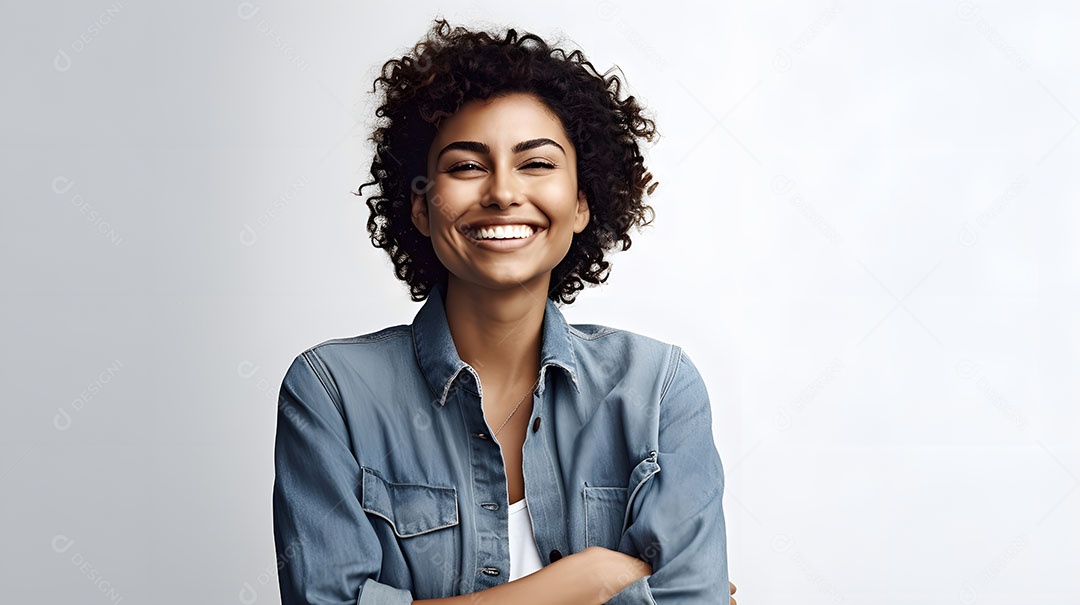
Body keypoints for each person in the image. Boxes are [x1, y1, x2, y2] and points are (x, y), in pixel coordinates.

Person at [272, 18, 734, 604]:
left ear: (583, 203)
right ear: (420, 207)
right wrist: (581, 583)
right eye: (467, 166)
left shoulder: (659, 390)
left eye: (536, 163)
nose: (502, 192)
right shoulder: (333, 392)